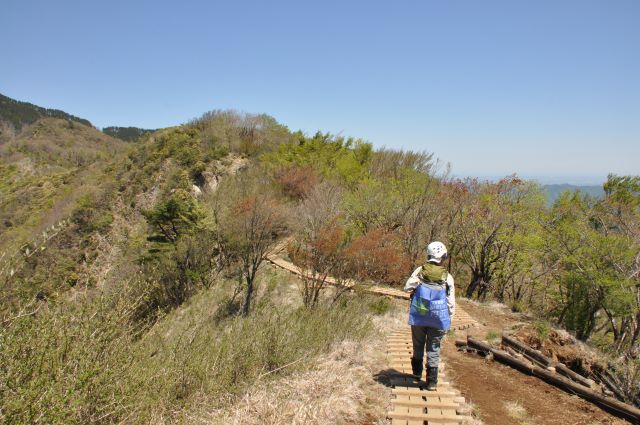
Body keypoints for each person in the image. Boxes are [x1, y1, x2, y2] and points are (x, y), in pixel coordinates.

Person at [403, 241, 455, 390]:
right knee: (433, 348)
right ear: (443, 257)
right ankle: (431, 382)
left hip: (420, 312)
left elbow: (407, 288)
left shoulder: (420, 271)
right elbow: (451, 303)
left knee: (418, 344)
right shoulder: (447, 276)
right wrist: (448, 320)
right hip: (438, 316)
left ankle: (416, 374)